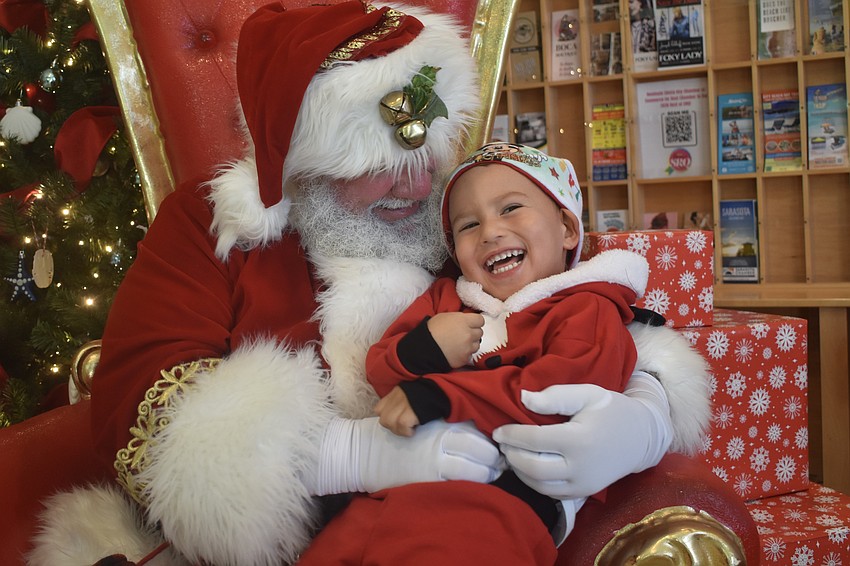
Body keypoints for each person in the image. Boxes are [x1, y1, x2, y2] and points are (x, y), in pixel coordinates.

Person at [28, 2, 710, 565]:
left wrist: (644, 417)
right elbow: (136, 406)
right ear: (308, 164)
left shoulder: (466, 221)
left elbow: (573, 304)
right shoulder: (211, 226)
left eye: (427, 155)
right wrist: (350, 456)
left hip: (468, 515)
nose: (417, 188)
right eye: (379, 164)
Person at [296, 142, 650, 564]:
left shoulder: (587, 308)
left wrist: (442, 397)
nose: (490, 231)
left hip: (508, 496)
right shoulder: (448, 297)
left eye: (511, 207)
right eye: (467, 225)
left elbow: (556, 399)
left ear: (567, 229)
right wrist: (421, 350)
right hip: (399, 486)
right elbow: (382, 373)